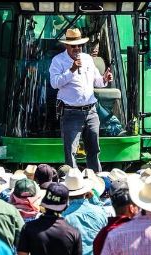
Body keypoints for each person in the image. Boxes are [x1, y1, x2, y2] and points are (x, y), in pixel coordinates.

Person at [49, 28, 113, 172]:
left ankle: (96, 178)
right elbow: (54, 83)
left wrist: (105, 79)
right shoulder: (58, 61)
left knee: (94, 150)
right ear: (67, 45)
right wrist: (71, 70)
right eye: (73, 46)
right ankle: (73, 180)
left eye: (79, 45)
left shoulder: (88, 59)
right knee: (71, 151)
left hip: (91, 111)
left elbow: (97, 81)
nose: (77, 48)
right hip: (71, 112)